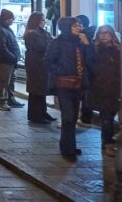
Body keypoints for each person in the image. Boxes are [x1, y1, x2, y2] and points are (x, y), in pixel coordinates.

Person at [45, 17, 94, 160]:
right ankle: (67, 148)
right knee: (68, 116)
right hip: (64, 85)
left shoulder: (80, 42)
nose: (78, 28)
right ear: (67, 27)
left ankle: (70, 146)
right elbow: (48, 62)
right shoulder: (57, 43)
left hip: (79, 84)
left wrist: (87, 45)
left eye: (78, 25)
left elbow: (90, 61)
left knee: (73, 116)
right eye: (75, 26)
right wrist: (62, 71)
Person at [87, 25, 120, 157]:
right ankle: (108, 144)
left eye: (107, 33)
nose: (104, 35)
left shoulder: (117, 50)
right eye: (101, 33)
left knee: (110, 117)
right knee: (107, 118)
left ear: (112, 34)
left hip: (116, 89)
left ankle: (106, 141)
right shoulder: (94, 50)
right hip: (101, 89)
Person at [23, 12, 55, 123]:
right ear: (36, 21)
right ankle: (36, 115)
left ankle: (42, 112)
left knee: (41, 90)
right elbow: (43, 47)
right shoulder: (32, 34)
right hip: (36, 65)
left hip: (41, 65)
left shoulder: (41, 32)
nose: (44, 22)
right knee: (36, 91)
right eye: (42, 20)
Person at [0, 9, 23, 111]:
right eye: (12, 19)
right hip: (3, 60)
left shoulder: (5, 28)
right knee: (3, 81)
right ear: (7, 19)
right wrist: (12, 56)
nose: (13, 21)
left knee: (10, 80)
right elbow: (1, 47)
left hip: (9, 61)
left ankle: (10, 99)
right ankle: (2, 101)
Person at [76, 14, 97, 126]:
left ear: (82, 26)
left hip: (86, 71)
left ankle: (85, 118)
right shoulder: (89, 35)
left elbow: (89, 57)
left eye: (77, 25)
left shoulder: (85, 38)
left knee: (85, 95)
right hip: (87, 71)